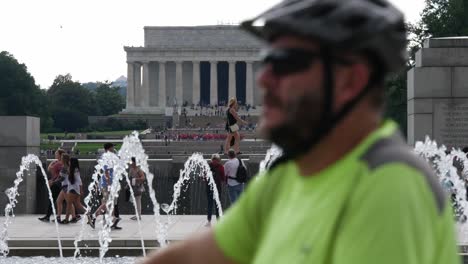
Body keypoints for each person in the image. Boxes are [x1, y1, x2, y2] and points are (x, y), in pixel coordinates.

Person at [142, 0, 460, 263]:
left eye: (284, 63)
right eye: (266, 62)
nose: (264, 79)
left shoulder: (388, 188)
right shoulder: (289, 178)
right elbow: (188, 259)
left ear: (350, 80)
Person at [39, 149, 65, 222]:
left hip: (56, 184)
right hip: (57, 183)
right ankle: (73, 215)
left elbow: (50, 169)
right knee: (62, 200)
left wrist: (51, 163)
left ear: (60, 155)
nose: (55, 155)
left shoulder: (59, 163)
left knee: (54, 199)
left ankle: (48, 216)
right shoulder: (60, 162)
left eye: (56, 154)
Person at [63, 157, 86, 223]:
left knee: (69, 204)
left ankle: (66, 219)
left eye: (70, 161)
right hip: (74, 188)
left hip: (73, 189)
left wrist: (81, 190)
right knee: (78, 204)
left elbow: (79, 180)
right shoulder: (73, 169)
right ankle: (89, 214)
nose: (69, 162)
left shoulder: (74, 170)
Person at [205, 153, 225, 227]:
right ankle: (215, 220)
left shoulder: (208, 166)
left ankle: (212, 221)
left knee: (213, 204)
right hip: (216, 187)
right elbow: (223, 178)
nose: (215, 161)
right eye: (215, 160)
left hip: (211, 187)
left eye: (215, 160)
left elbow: (204, 177)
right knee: (215, 204)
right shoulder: (220, 167)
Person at [56, 153, 71, 223]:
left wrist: (53, 182)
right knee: (59, 201)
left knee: (69, 203)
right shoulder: (67, 166)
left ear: (64, 159)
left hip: (66, 186)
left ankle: (67, 218)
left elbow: (62, 178)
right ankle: (58, 217)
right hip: (65, 186)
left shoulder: (64, 167)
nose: (60, 159)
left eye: (61, 158)